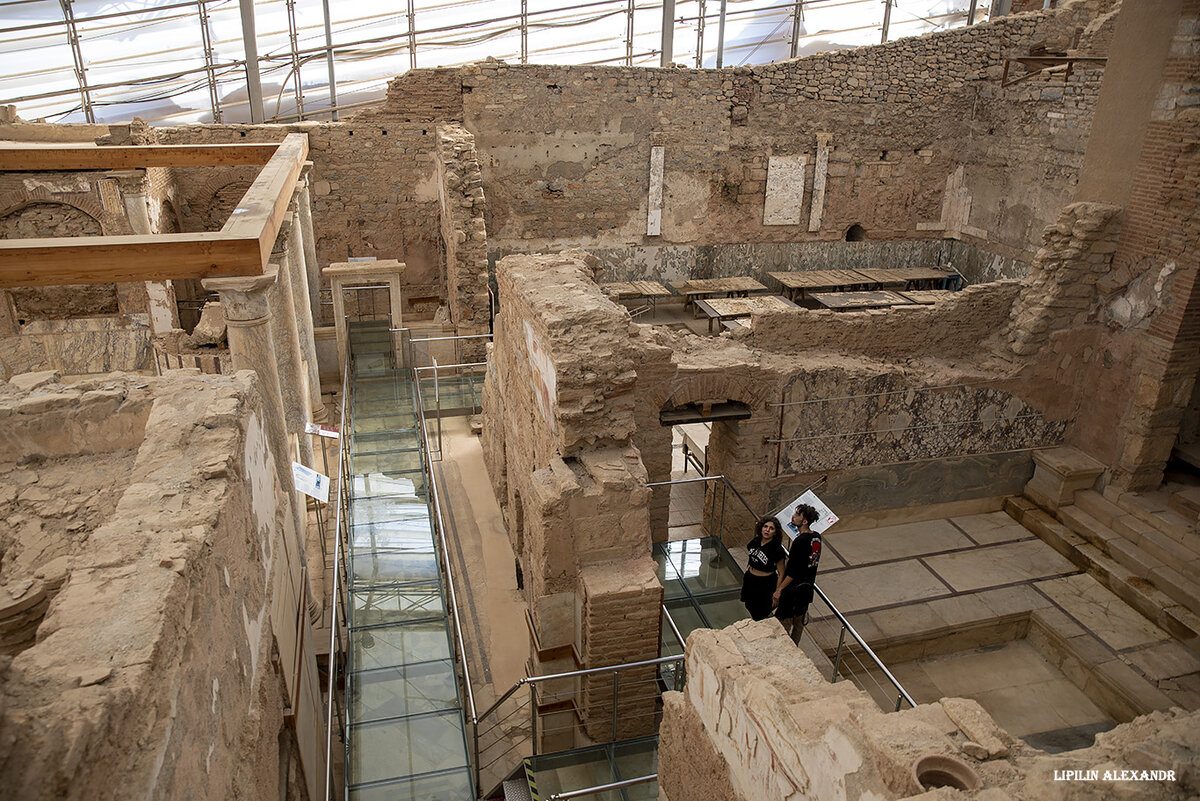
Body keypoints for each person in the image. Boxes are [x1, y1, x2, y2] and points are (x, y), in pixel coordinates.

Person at [774, 503, 822, 643]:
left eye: (797, 515)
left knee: (784, 624)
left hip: (793, 592)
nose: (793, 517)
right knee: (799, 625)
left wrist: (780, 589)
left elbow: (794, 571)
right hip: (806, 590)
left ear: (805, 521)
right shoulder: (817, 537)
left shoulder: (800, 541)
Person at [740, 517, 786, 621]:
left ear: (775, 532)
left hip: (765, 584)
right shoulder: (756, 541)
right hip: (750, 578)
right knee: (748, 605)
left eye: (771, 528)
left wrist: (777, 591)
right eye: (765, 527)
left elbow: (782, 573)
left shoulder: (777, 549)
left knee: (760, 612)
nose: (767, 530)